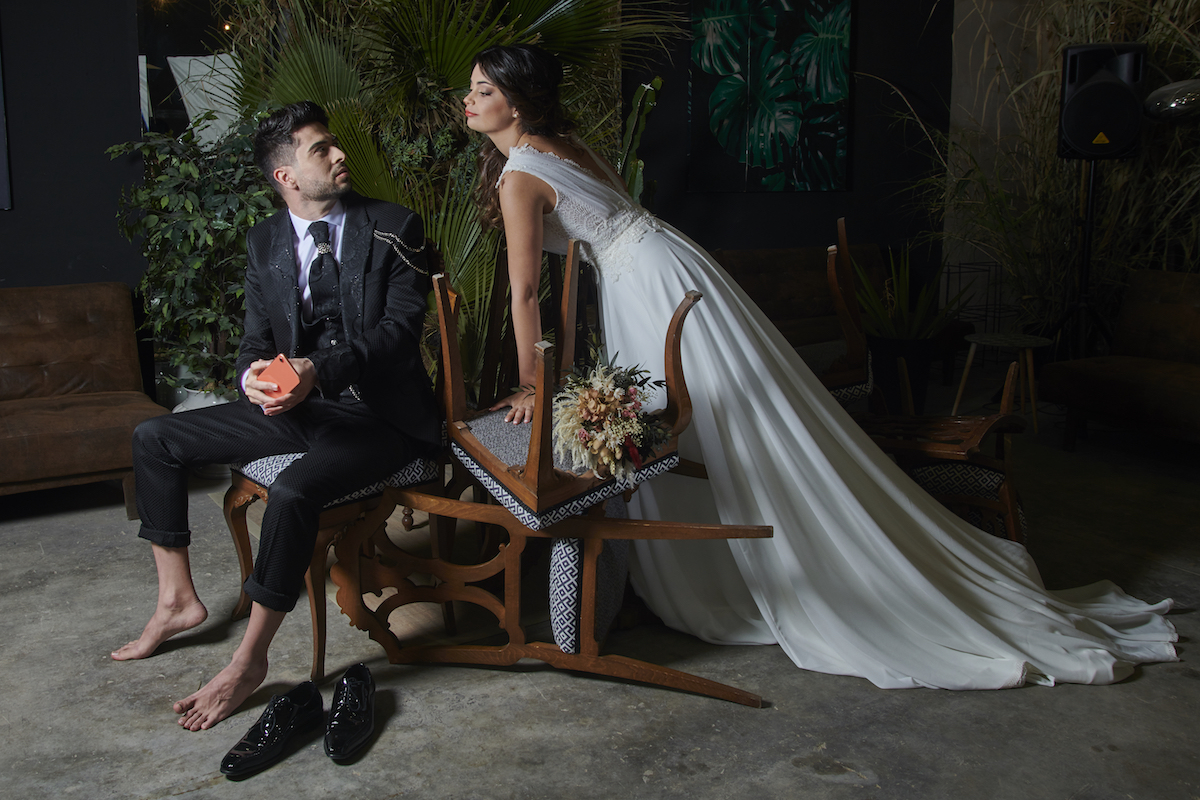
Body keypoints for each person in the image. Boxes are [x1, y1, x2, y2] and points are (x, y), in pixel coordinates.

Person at [463, 44, 1178, 690]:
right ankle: (737, 554)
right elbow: (588, 248)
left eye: (483, 90)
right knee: (729, 415)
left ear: (516, 104)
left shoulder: (520, 176)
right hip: (670, 264)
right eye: (471, 90)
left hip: (644, 287)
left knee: (718, 421)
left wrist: (531, 384)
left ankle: (778, 566)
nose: (468, 101)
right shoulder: (562, 145)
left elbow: (526, 291)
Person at [112, 101, 439, 728]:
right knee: (153, 437)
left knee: (292, 490)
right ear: (285, 175)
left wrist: (319, 370)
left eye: (333, 143)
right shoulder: (264, 239)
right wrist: (252, 379)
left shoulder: (394, 225)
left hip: (381, 417)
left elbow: (399, 336)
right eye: (321, 149)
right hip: (298, 409)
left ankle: (249, 661)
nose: (339, 154)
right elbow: (254, 343)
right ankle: (176, 600)